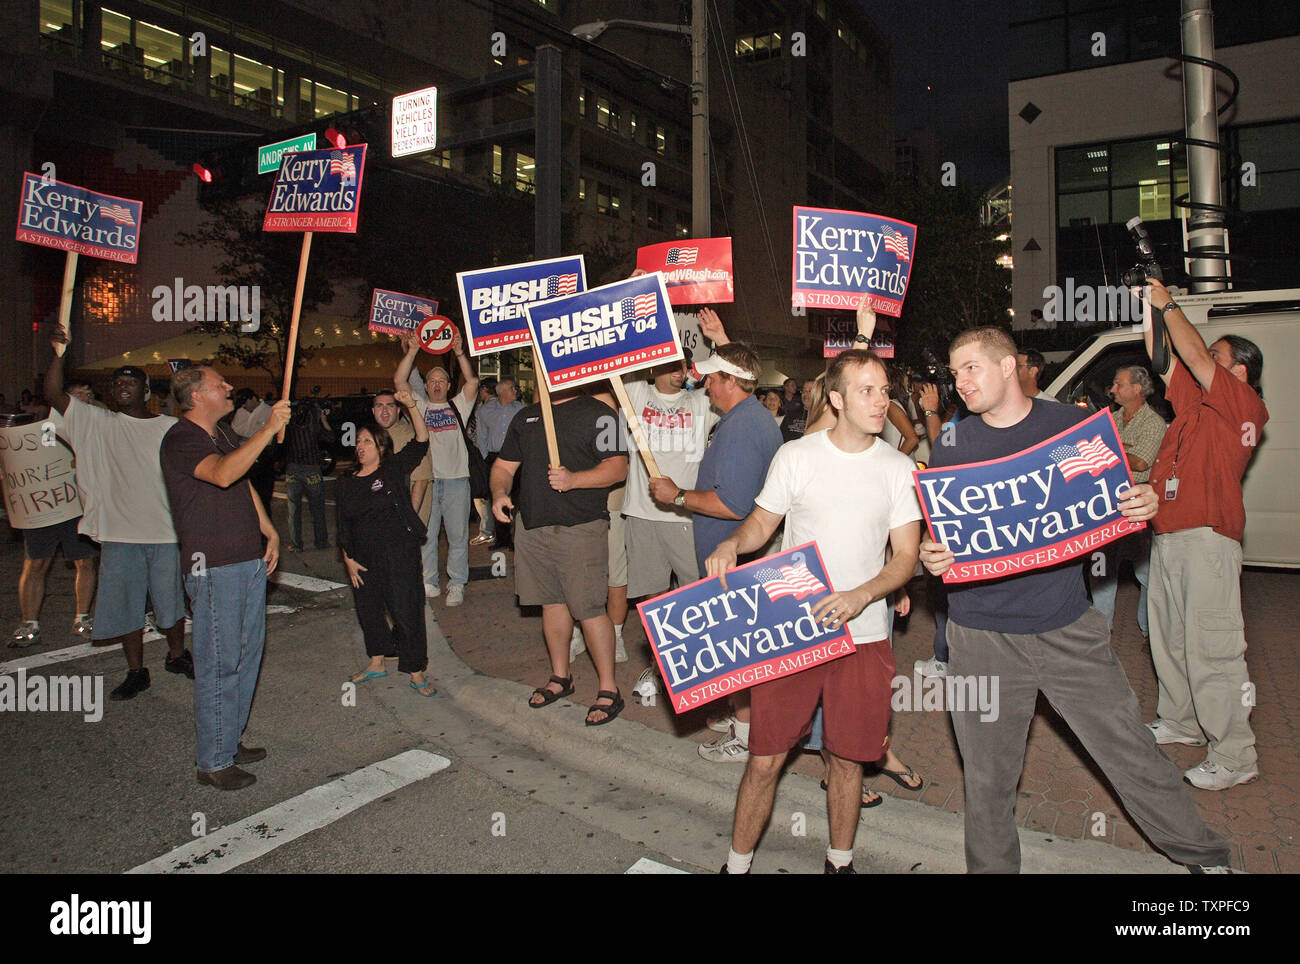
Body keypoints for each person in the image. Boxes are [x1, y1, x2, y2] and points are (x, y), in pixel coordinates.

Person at [918, 326, 1231, 873]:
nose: (959, 381)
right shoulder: (950, 444)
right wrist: (932, 554)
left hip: (1065, 627)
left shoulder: (1074, 428)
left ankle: (1206, 858)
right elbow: (945, 533)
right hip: (980, 635)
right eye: (955, 370)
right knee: (988, 779)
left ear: (1010, 365)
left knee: (1129, 752)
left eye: (971, 368)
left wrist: (1142, 503)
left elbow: (1116, 504)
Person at [707, 348, 922, 874]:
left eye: (885, 390)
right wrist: (735, 544)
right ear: (837, 399)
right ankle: (736, 866)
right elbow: (760, 523)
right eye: (867, 391)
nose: (881, 401)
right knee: (765, 758)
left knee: (848, 759)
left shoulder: (897, 468)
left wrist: (863, 594)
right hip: (795, 631)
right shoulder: (797, 457)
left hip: (864, 637)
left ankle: (839, 862)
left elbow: (907, 558)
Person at [1142, 279, 1268, 791]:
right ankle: (1181, 721)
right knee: (1171, 641)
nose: (1202, 362)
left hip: (1208, 541)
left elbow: (1190, 351)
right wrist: (1150, 307)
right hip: (1170, 537)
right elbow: (1163, 357)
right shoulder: (1193, 409)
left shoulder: (1241, 403)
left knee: (1213, 648)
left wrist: (1171, 301)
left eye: (1217, 357)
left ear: (1238, 371)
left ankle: (1236, 755)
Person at [647, 317, 783, 763]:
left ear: (730, 381)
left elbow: (734, 505)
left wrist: (678, 496)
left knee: (740, 649)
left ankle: (745, 737)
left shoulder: (745, 426)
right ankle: (741, 716)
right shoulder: (748, 416)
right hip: (731, 556)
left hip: (735, 558)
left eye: (712, 378)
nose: (704, 385)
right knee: (736, 646)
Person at [161, 366, 289, 790]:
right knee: (219, 663)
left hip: (245, 558)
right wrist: (269, 429)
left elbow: (243, 480)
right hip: (213, 565)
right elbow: (222, 473)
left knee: (247, 655)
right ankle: (214, 760)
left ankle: (229, 739)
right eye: (220, 385)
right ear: (197, 396)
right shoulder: (182, 438)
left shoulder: (222, 433)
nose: (230, 388)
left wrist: (267, 527)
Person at [46, 337, 191, 701]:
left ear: (145, 392)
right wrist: (59, 355)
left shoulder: (168, 428)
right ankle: (136, 671)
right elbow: (52, 392)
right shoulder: (97, 422)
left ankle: (177, 656)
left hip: (164, 534)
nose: (121, 386)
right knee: (127, 608)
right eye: (116, 383)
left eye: (131, 383)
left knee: (170, 605)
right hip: (120, 535)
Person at [491, 384, 628, 725]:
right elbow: (504, 467)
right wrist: (498, 493)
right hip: (532, 526)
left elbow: (618, 468)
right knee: (550, 603)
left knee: (589, 608)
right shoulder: (527, 417)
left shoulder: (599, 413)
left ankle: (609, 689)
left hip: (580, 527)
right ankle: (560, 677)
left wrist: (574, 479)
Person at [337, 390, 435, 696]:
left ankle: (416, 670)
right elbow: (343, 524)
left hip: (399, 553)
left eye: (368, 441)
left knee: (406, 611)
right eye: (359, 441)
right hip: (364, 558)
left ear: (381, 446)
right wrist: (348, 558)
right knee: (368, 611)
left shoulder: (392, 470)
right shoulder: (347, 481)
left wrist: (412, 406)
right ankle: (377, 661)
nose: (361, 446)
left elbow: (421, 441)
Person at [397, 330, 478, 606]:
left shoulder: (459, 407)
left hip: (457, 480)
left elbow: (472, 381)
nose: (435, 384)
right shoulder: (419, 406)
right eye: (431, 380)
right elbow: (399, 381)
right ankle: (428, 580)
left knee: (457, 535)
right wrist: (411, 351)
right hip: (429, 480)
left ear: (447, 384)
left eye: (441, 380)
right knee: (427, 535)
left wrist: (458, 351)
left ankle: (457, 583)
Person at [5, 415, 98, 648]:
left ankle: (82, 618)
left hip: (72, 506)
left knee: (85, 562)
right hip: (39, 509)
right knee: (35, 564)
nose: (83, 397)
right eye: (79, 393)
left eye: (87, 393)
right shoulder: (39, 431)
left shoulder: (80, 424)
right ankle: (29, 622)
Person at [1091, 365, 1167, 637]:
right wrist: (1123, 450)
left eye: (1118, 384)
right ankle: (1101, 630)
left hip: (1137, 505)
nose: (1112, 390)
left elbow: (1141, 461)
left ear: (1137, 389)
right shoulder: (1110, 418)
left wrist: (1109, 447)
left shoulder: (1153, 423)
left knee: (1146, 572)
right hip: (1108, 503)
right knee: (1102, 571)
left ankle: (1149, 630)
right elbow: (1096, 451)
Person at [474, 375, 524, 548]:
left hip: (517, 459)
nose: (516, 391)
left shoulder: (521, 409)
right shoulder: (485, 411)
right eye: (512, 388)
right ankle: (502, 539)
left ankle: (517, 539)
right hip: (494, 458)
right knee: (498, 497)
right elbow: (481, 435)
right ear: (502, 391)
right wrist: (485, 457)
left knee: (518, 499)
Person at [282, 398, 332, 552]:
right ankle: (321, 542)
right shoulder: (314, 425)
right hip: (312, 469)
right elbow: (330, 437)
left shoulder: (290, 424)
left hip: (292, 469)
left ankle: (296, 544)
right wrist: (323, 417)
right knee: (317, 508)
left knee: (293, 510)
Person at [231, 388, 276, 510]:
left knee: (262, 498)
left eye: (246, 402)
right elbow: (234, 432)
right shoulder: (241, 412)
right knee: (244, 497)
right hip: (242, 458)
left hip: (262, 460)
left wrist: (247, 437)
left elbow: (267, 437)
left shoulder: (268, 412)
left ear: (254, 399)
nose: (244, 406)